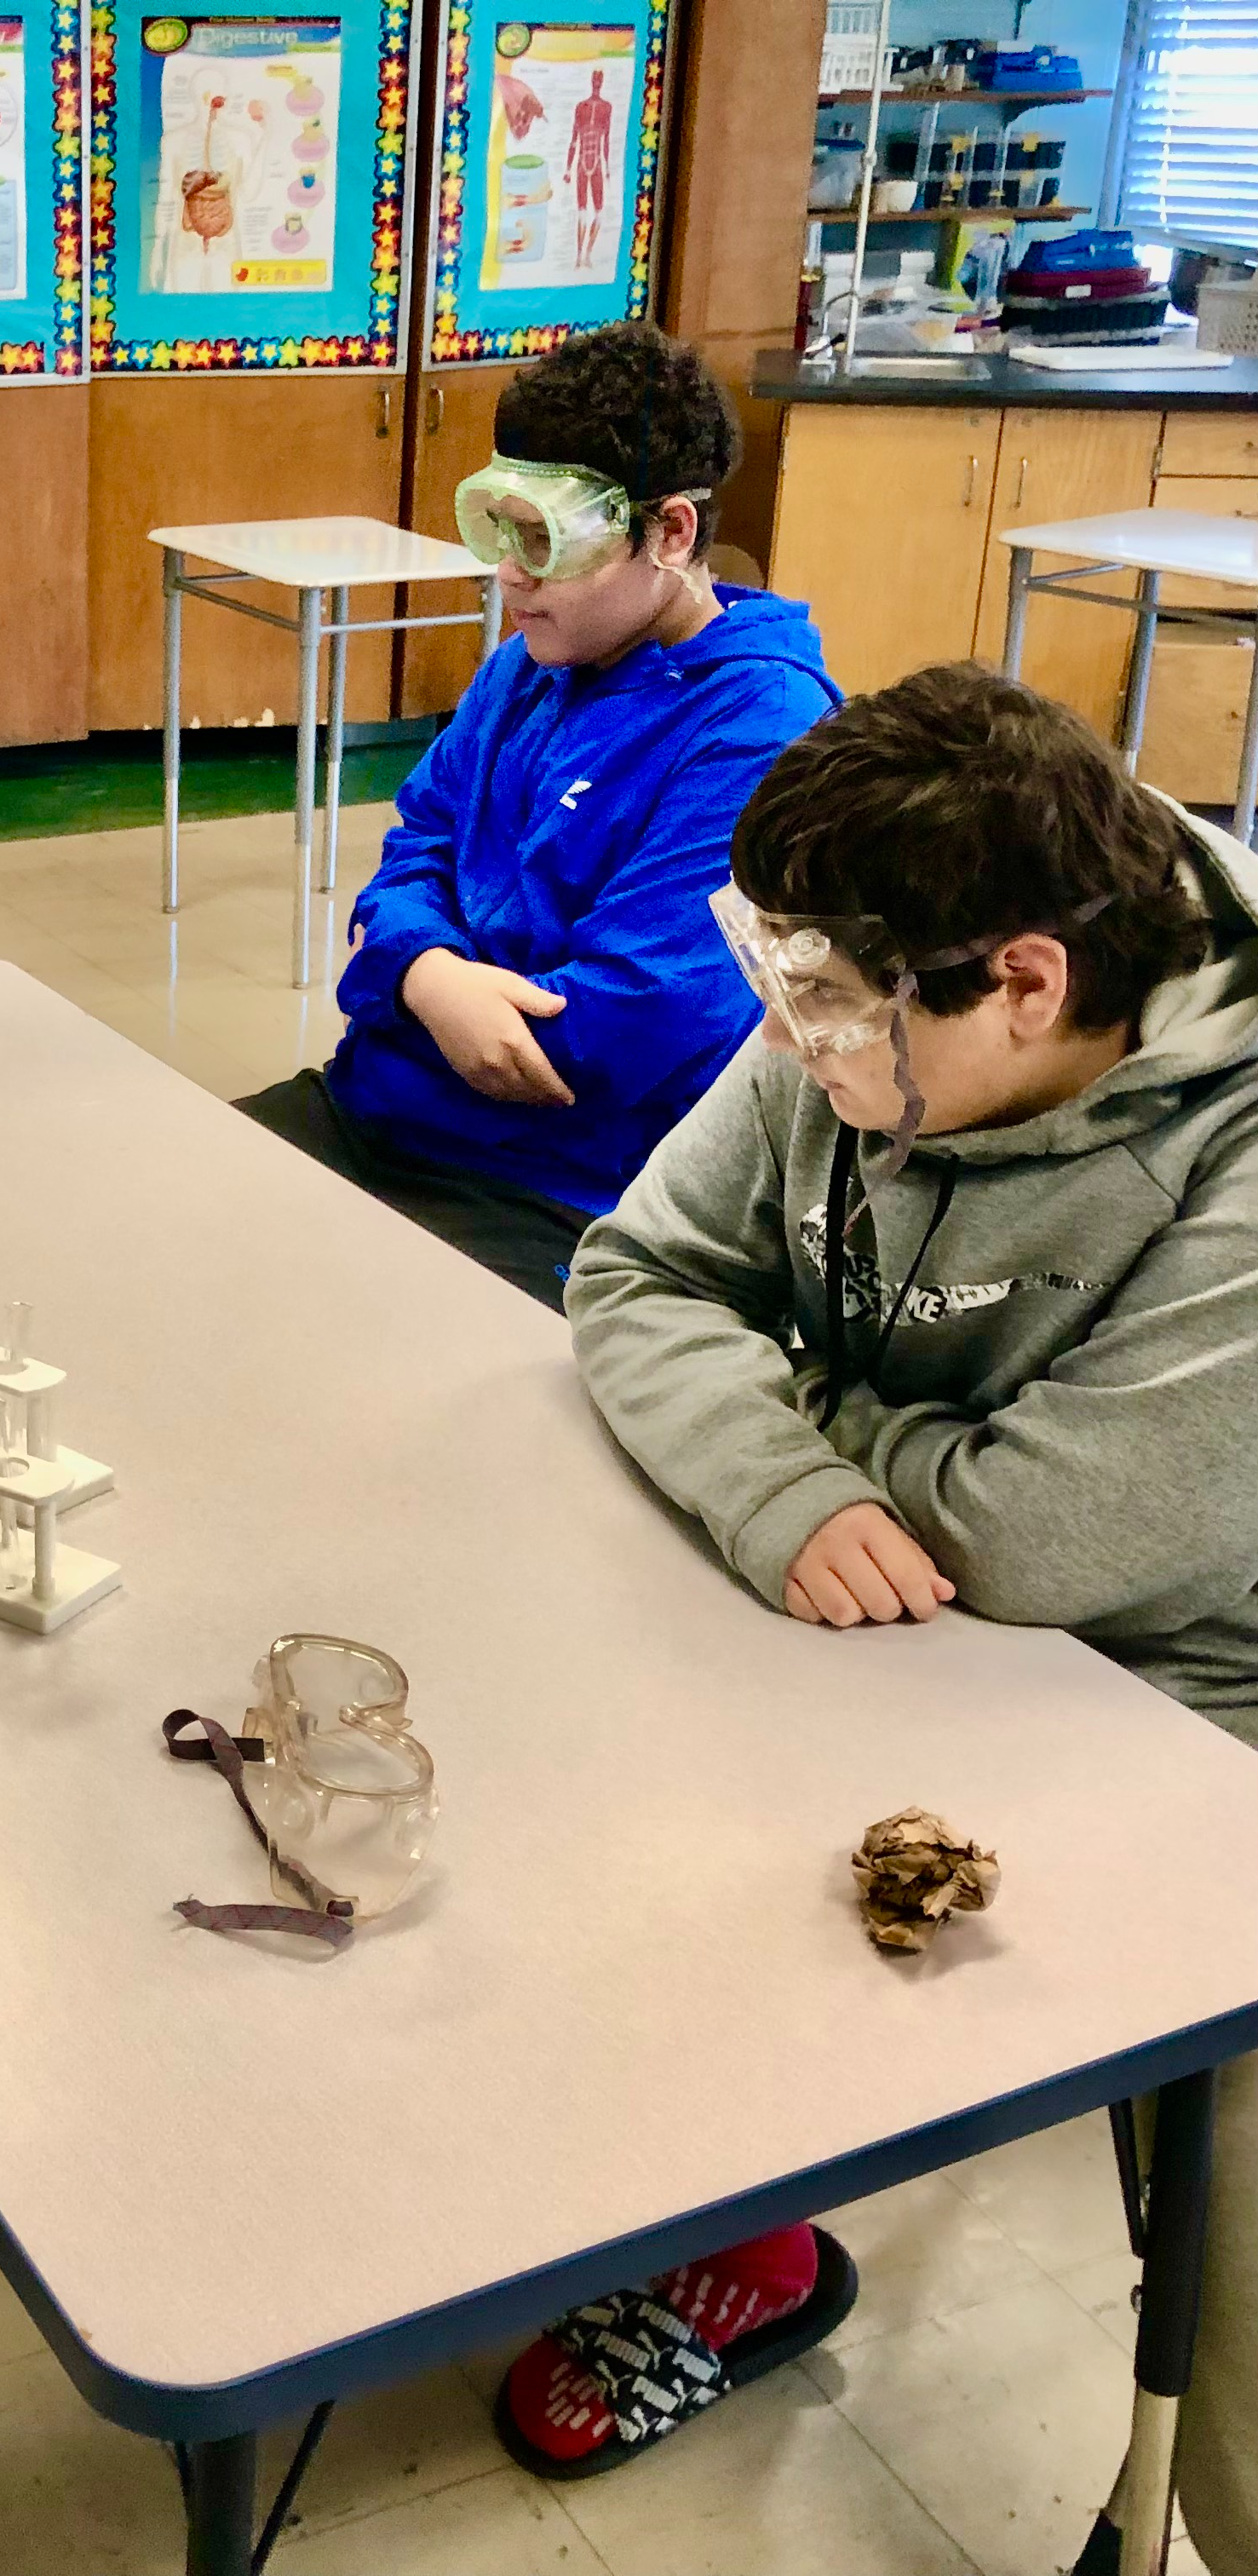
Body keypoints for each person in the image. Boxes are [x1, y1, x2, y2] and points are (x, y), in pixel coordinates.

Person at [508, 665, 1258, 2568]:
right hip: (879, 1607)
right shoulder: (871, 969)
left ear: (1020, 981)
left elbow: (1056, 1537)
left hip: (1188, 1700)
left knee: (1243, 2268)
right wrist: (789, 1485)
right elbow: (642, 1270)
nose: (797, 1046)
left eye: (837, 1018)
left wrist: (810, 1423)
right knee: (558, 1786)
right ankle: (727, 2237)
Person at [238, 320, 837, 1308]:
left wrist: (402, 982)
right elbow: (415, 848)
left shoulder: (760, 726)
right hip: (378, 1110)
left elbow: (618, 1028)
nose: (509, 574)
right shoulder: (532, 662)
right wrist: (432, 978)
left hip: (558, 1186)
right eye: (498, 532)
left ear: (672, 532)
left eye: (547, 541)